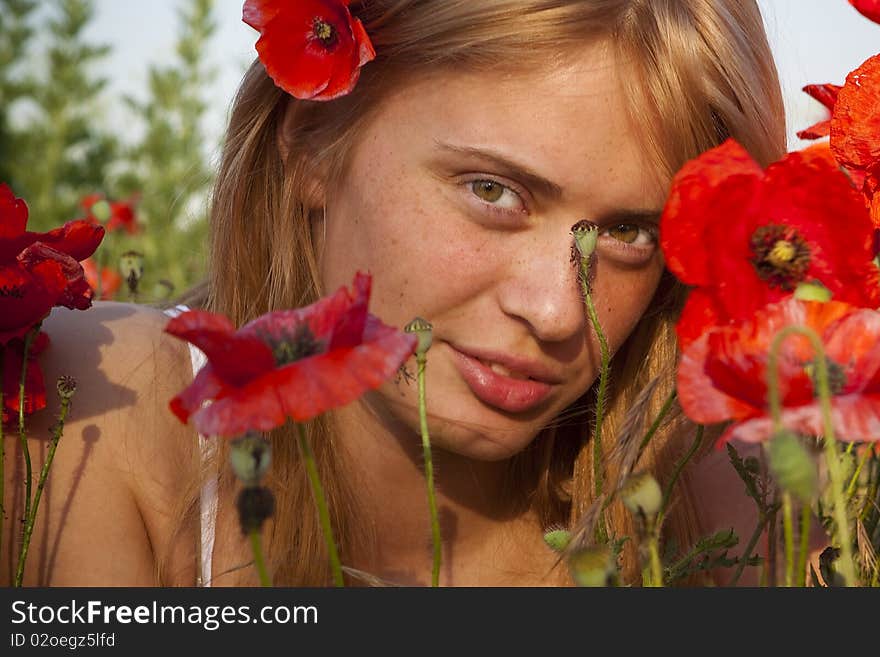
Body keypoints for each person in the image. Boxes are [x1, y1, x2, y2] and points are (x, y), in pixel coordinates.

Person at [2, 0, 786, 587]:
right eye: (493, 189)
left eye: (629, 233)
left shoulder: (723, 507)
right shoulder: (86, 418)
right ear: (312, 141)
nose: (555, 312)